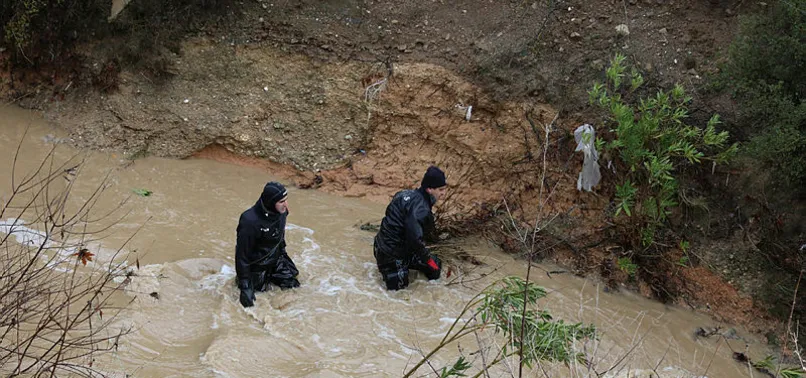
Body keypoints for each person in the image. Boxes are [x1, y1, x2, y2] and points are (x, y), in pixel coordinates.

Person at [373, 166, 447, 290]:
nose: (443, 193)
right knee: (398, 294)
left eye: (444, 189)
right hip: (392, 256)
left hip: (379, 246)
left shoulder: (403, 194)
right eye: (440, 189)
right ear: (429, 189)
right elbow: (415, 239)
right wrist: (428, 260)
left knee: (436, 267)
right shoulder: (421, 209)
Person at [235, 181, 300, 307]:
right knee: (254, 302)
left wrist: (283, 254)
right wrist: (245, 285)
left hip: (276, 256)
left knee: (294, 285)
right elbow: (242, 255)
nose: (286, 205)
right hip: (257, 266)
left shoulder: (282, 211)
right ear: (271, 202)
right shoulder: (250, 221)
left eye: (286, 200)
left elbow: (280, 232)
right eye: (281, 202)